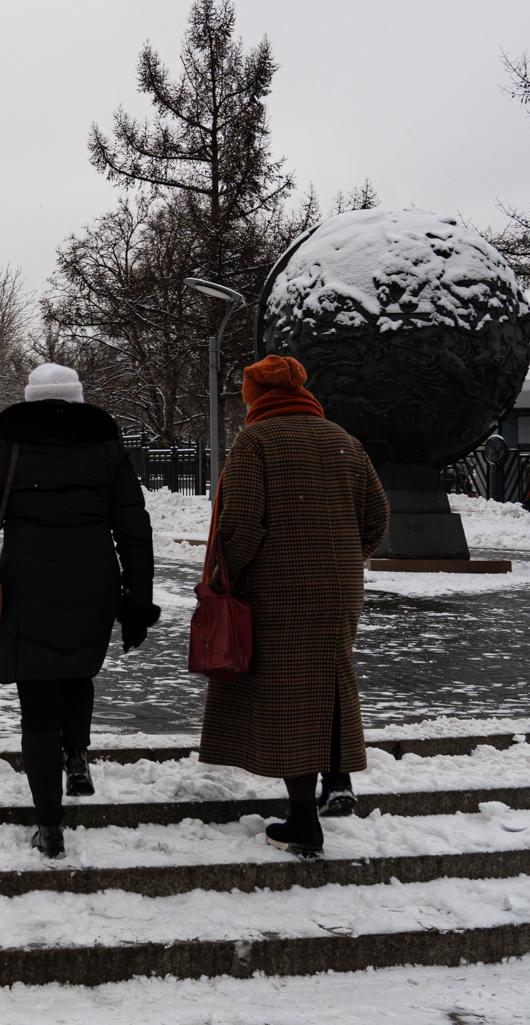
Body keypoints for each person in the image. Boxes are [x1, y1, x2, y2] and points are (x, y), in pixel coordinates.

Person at [0, 363, 158, 858]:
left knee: (39, 700)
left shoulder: (10, 444)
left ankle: (50, 828)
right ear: (77, 399)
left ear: (30, 400)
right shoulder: (108, 447)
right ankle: (76, 756)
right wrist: (137, 600)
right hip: (95, 580)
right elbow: (135, 530)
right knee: (76, 669)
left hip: (28, 582)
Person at [198, 354, 389, 858]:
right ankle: (338, 783)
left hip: (276, 588)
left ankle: (304, 820)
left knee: (289, 697)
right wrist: (346, 557)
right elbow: (377, 517)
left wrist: (223, 579)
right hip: (339, 589)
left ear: (256, 395)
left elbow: (241, 523)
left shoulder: (257, 441)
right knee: (329, 680)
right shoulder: (345, 441)